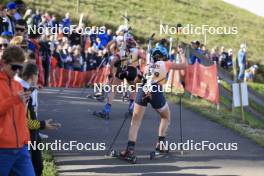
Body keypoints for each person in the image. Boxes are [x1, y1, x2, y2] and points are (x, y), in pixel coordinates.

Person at [119, 45, 187, 159]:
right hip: (155, 91)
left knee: (135, 122)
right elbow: (184, 65)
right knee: (165, 116)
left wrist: (132, 91)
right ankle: (160, 145)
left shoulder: (147, 65)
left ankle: (130, 150)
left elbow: (138, 80)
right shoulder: (166, 64)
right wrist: (181, 54)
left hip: (143, 89)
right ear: (163, 56)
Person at [15, 63, 61, 176]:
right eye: (37, 74)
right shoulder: (24, 91)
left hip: (32, 136)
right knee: (33, 169)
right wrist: (43, 124)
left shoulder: (27, 89)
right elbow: (25, 122)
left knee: (38, 167)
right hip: (25, 139)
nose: (38, 77)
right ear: (32, 76)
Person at [0, 46, 35, 176]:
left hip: (20, 147)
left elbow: (21, 116)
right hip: (2, 148)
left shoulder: (18, 84)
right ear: (3, 63)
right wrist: (14, 99)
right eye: (14, 67)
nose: (17, 71)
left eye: (20, 68)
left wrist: (26, 139)